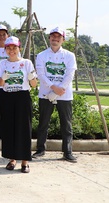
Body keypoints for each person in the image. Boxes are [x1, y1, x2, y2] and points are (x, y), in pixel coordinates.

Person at [34, 27, 78, 162]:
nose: (55, 39)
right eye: (53, 36)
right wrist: (53, 88)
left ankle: (67, 151)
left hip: (64, 94)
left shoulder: (70, 56)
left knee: (66, 124)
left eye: (58, 37)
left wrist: (59, 90)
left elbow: (70, 74)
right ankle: (40, 149)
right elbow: (40, 74)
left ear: (63, 39)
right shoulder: (42, 55)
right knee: (43, 122)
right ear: (49, 38)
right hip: (46, 93)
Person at [0, 36, 38, 173]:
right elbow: (0, 84)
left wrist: (32, 78)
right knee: (9, 128)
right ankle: (12, 159)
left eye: (14, 48)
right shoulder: (3, 64)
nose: (11, 50)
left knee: (24, 128)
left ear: (19, 48)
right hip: (7, 97)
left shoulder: (26, 63)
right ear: (5, 49)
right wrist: (3, 78)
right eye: (9, 48)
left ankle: (25, 162)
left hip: (22, 97)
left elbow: (34, 84)